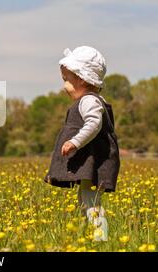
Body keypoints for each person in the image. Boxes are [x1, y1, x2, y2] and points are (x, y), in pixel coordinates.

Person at [44, 46, 120, 241]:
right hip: (91, 161)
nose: (64, 86)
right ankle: (88, 232)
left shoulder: (89, 101)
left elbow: (94, 124)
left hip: (94, 162)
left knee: (90, 199)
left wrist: (75, 142)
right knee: (85, 198)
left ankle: (100, 237)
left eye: (66, 80)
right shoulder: (91, 100)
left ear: (82, 79)